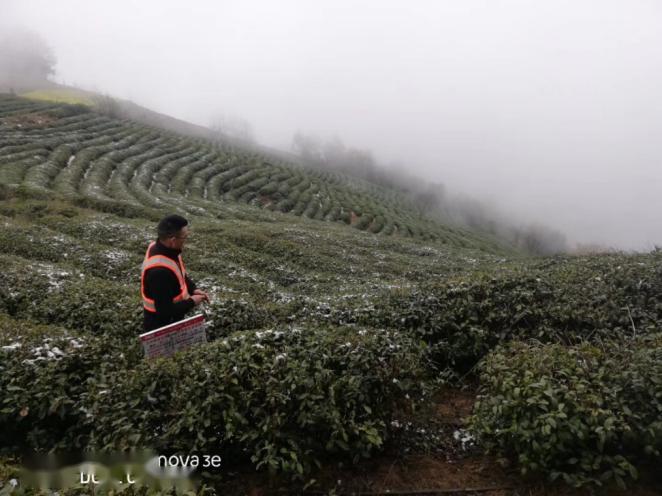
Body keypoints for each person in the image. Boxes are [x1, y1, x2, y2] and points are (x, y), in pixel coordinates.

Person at [141, 214, 209, 332]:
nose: (186, 241)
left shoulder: (163, 248)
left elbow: (179, 273)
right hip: (161, 326)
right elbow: (165, 312)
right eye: (184, 237)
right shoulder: (159, 273)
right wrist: (192, 301)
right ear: (173, 240)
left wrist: (193, 289)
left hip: (173, 316)